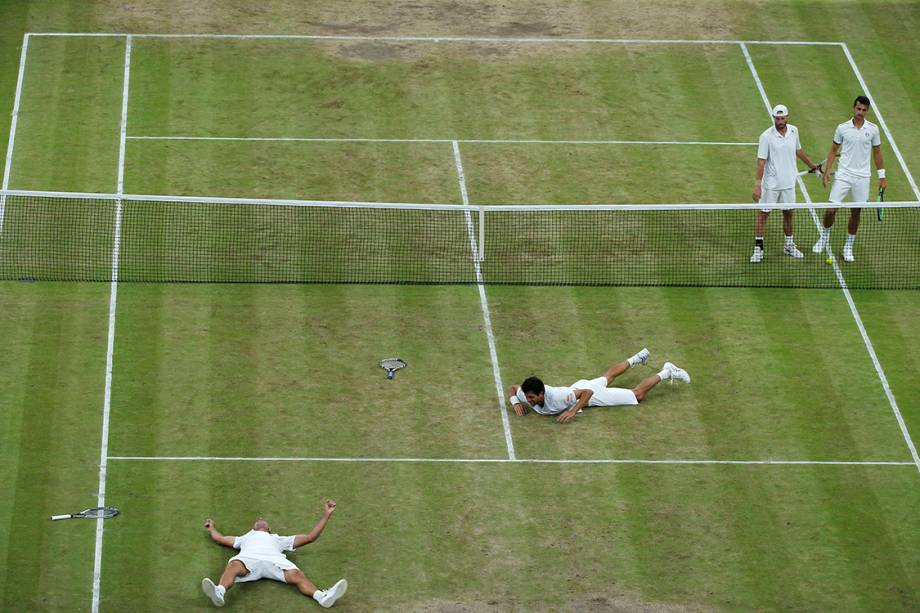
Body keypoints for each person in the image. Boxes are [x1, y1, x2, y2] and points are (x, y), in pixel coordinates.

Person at [201, 500, 347, 608]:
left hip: (274, 562)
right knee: (234, 565)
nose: (260, 520)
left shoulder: (279, 539)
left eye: (263, 521)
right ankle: (219, 592)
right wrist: (212, 529)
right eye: (257, 521)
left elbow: (310, 537)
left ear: (269, 528)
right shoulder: (244, 538)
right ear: (253, 527)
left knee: (297, 574)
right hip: (249, 561)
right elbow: (220, 539)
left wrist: (326, 515)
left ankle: (322, 597)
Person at [505, 348, 690, 424]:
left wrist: (572, 410)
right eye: (527, 397)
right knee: (607, 376)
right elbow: (513, 388)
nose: (528, 401)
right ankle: (639, 357)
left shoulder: (561, 397)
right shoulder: (526, 395)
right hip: (578, 386)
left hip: (591, 395)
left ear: (542, 393)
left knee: (637, 395)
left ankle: (667, 371)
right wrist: (515, 402)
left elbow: (588, 392)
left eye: (531, 398)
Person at [812, 95, 887, 262]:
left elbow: (877, 153)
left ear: (867, 111)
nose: (860, 112)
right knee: (831, 210)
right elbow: (833, 150)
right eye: (858, 109)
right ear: (854, 108)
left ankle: (848, 246)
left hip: (862, 178)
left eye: (864, 110)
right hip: (843, 175)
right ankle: (824, 238)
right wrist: (827, 172)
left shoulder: (873, 129)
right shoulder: (842, 128)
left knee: (856, 212)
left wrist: (882, 177)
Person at [750, 104, 822, 263]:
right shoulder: (766, 137)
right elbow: (761, 162)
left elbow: (798, 151)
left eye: (782, 118)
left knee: (789, 214)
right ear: (774, 118)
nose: (780, 121)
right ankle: (758, 249)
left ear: (787, 118)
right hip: (771, 186)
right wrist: (757, 185)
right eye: (777, 118)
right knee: (763, 215)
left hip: (789, 184)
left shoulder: (794, 131)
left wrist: (812, 166)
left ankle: (789, 245)